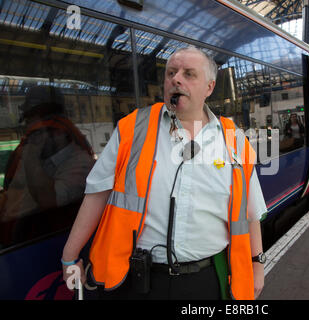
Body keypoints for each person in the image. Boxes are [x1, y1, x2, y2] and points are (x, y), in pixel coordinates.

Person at [62, 46, 267, 300]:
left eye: (189, 74)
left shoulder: (234, 140)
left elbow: (250, 210)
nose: (176, 79)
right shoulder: (133, 129)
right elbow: (96, 193)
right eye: (171, 72)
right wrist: (70, 256)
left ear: (209, 88)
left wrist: (257, 261)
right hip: (138, 279)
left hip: (206, 280)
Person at [0, 85, 95, 247]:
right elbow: (13, 193)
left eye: (40, 130)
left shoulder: (81, 163)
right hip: (17, 241)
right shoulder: (35, 158)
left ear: (60, 130)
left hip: (50, 244)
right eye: (30, 126)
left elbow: (48, 200)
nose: (31, 134)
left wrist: (31, 153)